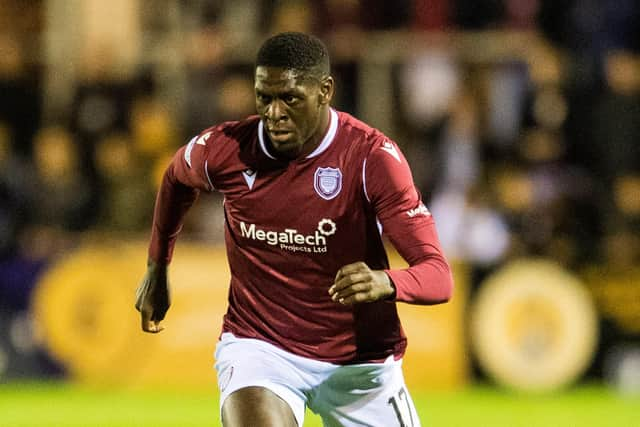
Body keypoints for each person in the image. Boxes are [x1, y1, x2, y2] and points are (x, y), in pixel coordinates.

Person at [135, 32, 453, 427]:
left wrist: (387, 282)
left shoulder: (372, 159)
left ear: (325, 91)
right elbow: (175, 179)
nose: (274, 113)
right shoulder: (227, 149)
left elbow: (439, 277)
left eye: (289, 98)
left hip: (359, 367)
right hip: (262, 349)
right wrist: (157, 267)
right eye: (264, 97)